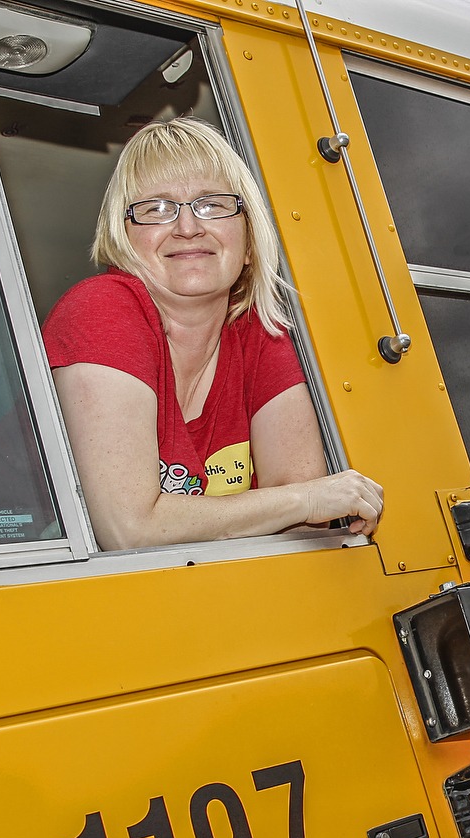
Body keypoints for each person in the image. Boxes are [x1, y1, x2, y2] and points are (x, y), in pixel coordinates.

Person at [42, 117, 381, 550]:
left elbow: (305, 529)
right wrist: (301, 500)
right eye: (156, 208)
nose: (187, 227)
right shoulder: (101, 309)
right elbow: (129, 530)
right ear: (124, 238)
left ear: (248, 240)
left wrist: (300, 503)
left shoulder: (259, 332)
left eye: (213, 204)